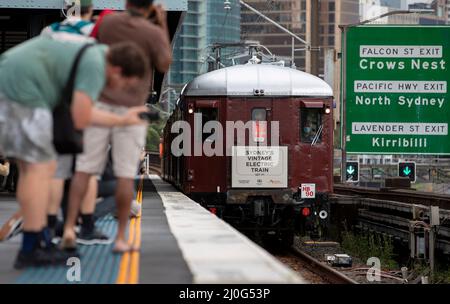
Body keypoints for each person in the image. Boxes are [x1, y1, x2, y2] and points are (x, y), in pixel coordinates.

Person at [0, 33, 150, 268]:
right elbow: (82, 117)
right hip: (22, 91)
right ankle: (31, 247)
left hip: (14, 83)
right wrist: (123, 120)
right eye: (125, 85)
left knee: (37, 168)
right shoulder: (96, 65)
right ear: (118, 71)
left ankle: (37, 240)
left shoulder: (94, 54)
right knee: (39, 169)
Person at [62, 0, 173, 253]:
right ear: (150, 7)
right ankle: (121, 238)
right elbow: (164, 62)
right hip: (132, 110)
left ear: (126, 3)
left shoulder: (108, 21)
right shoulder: (152, 32)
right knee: (125, 176)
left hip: (100, 104)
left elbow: (91, 43)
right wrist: (162, 23)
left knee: (84, 170)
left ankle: (69, 228)